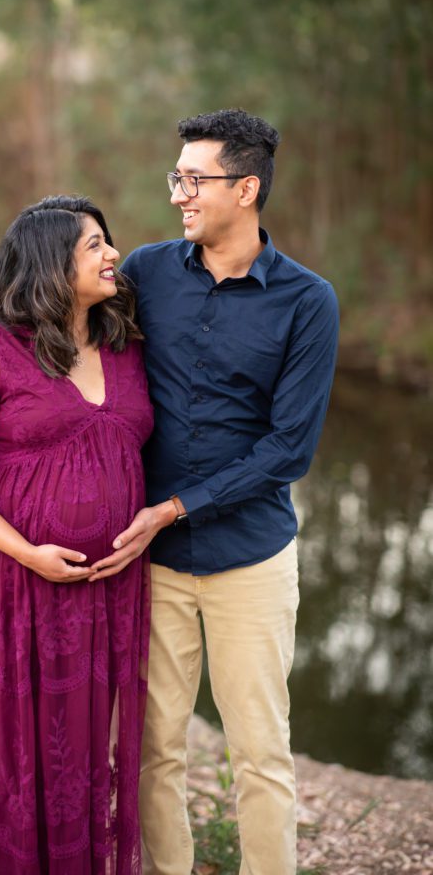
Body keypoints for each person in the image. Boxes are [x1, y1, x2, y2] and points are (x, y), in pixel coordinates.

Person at [89, 108, 340, 875]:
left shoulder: (306, 302)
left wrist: (172, 508)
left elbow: (288, 450)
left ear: (246, 188)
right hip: (154, 563)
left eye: (193, 180)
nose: (178, 195)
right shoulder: (146, 274)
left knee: (259, 753)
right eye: (176, 178)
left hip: (249, 561)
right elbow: (74, 351)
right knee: (150, 749)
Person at [0, 195, 154, 875]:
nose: (112, 254)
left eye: (107, 241)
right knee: (14, 748)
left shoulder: (126, 347)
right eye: (94, 245)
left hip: (105, 590)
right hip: (13, 581)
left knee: (83, 750)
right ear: (51, 263)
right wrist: (29, 552)